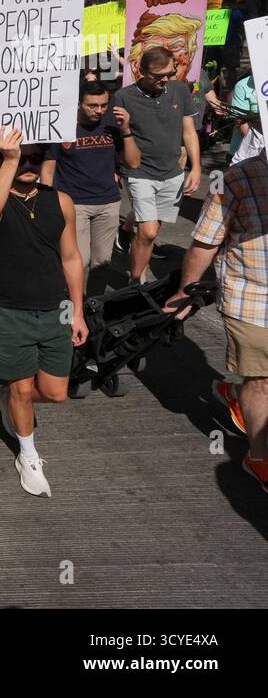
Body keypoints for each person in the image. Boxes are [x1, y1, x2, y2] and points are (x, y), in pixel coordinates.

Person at [0, 129, 88, 498]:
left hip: (55, 310)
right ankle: (28, 454)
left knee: (55, 393)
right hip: (8, 311)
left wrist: (79, 312)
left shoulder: (62, 201)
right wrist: (10, 159)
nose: (28, 164)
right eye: (21, 157)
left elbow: (71, 259)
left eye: (34, 158)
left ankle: (7, 398)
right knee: (22, 389)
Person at [166, 154, 268, 492]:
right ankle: (258, 457)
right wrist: (185, 290)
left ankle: (239, 394)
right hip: (252, 298)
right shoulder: (237, 179)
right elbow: (206, 241)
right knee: (263, 379)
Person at [114, 45, 200, 283]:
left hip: (172, 172)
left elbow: (189, 132)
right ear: (140, 71)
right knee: (148, 231)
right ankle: (135, 281)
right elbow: (115, 139)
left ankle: (129, 239)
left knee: (152, 231)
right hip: (139, 171)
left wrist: (196, 167)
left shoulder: (181, 90)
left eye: (170, 74)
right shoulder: (123, 97)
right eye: (158, 76)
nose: (165, 80)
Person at [42, 80, 134, 292]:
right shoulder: (62, 125)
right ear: (78, 103)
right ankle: (71, 305)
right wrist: (46, 204)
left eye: (104, 105)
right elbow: (47, 170)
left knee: (102, 263)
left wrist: (127, 130)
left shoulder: (113, 123)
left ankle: (94, 306)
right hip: (74, 204)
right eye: (92, 105)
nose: (99, 110)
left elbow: (133, 161)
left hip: (108, 202)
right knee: (78, 261)